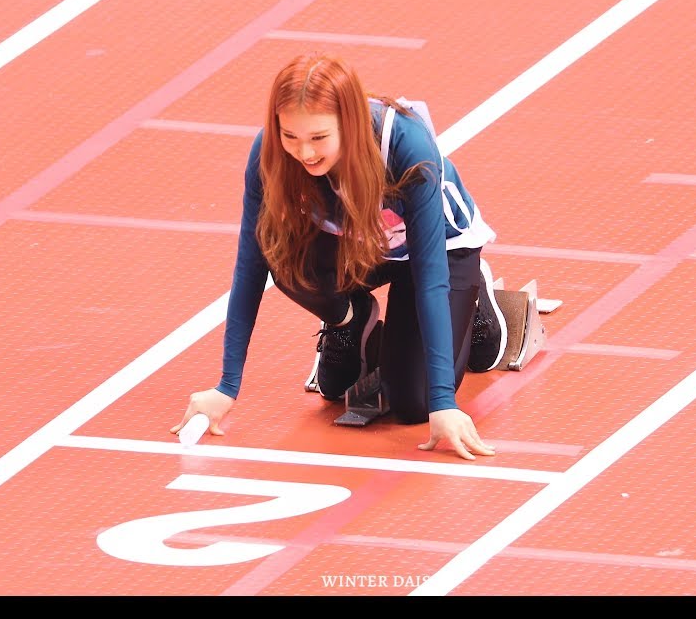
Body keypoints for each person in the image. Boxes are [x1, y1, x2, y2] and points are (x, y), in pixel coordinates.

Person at [170, 52, 510, 460]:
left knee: (413, 403)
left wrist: (443, 403)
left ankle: (478, 297)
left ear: (348, 123)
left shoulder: (405, 145)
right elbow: (251, 264)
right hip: (362, 243)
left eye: (318, 138)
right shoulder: (271, 153)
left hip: (437, 250)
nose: (304, 152)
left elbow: (431, 276)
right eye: (290, 136)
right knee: (283, 256)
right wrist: (226, 387)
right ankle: (353, 321)